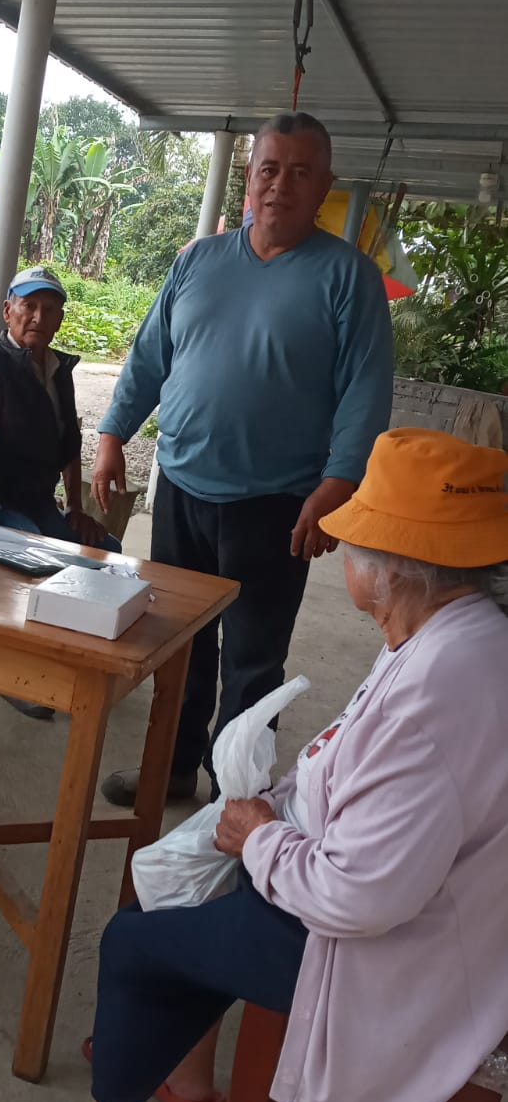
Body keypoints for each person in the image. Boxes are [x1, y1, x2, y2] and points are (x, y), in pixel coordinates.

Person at [0, 427, 508, 1102]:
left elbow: (360, 897)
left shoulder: (438, 691)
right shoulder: (460, 635)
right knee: (200, 884)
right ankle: (185, 1077)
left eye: (356, 539)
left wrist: (261, 837)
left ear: (395, 566)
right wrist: (271, 817)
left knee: (136, 941)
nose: (344, 554)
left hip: (390, 948)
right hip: (427, 910)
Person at [93, 112, 393, 810]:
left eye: (300, 172)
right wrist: (112, 434)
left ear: (324, 185)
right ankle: (171, 770)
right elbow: (150, 356)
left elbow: (365, 393)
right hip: (182, 488)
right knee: (179, 644)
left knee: (254, 663)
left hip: (277, 502)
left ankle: (236, 804)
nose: (281, 184)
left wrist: (337, 486)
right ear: (249, 177)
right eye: (269, 168)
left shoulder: (348, 277)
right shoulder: (198, 261)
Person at [0, 265, 120, 551]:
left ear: (59, 320)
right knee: (38, 550)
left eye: (49, 309)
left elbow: (69, 444)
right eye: (29, 306)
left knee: (106, 550)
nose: (38, 317)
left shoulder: (58, 371)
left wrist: (75, 508)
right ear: (7, 311)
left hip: (34, 504)